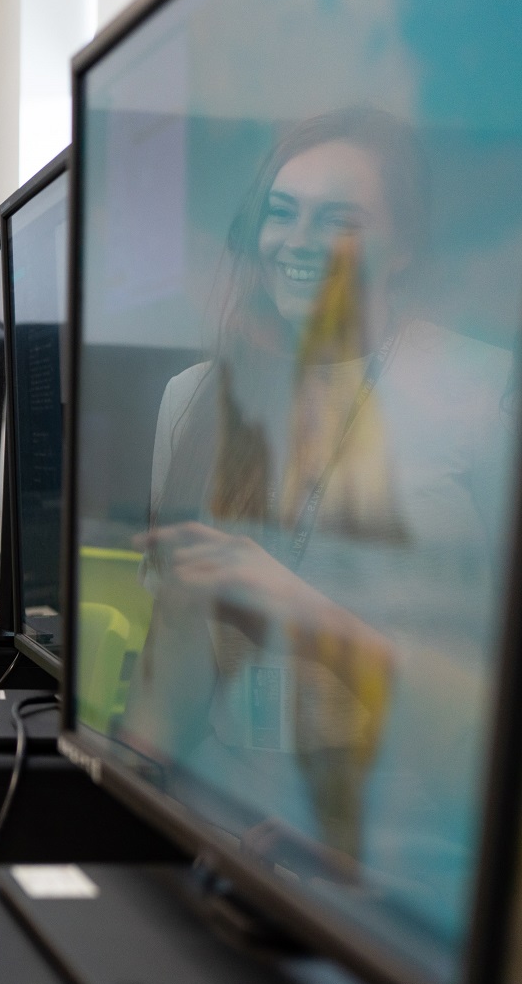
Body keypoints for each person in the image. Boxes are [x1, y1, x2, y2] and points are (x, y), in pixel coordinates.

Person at [127, 107, 512, 897]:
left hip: (415, 863)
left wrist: (296, 604)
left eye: (338, 219)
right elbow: (172, 694)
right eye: (281, 212)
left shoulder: (485, 398)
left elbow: (488, 716)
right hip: (227, 836)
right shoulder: (195, 402)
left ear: (402, 247)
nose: (297, 242)